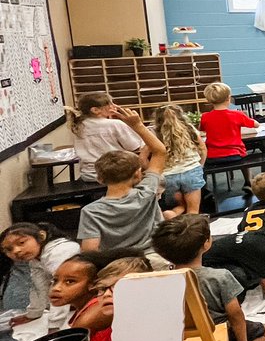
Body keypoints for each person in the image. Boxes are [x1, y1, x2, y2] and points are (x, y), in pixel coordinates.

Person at [152, 214, 265, 341]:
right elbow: (235, 314)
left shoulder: (159, 280)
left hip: (183, 338)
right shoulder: (219, 277)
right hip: (219, 333)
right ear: (206, 244)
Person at [78, 107, 169, 262]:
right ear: (138, 174)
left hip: (118, 266)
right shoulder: (147, 192)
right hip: (155, 259)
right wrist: (138, 125)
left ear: (100, 179)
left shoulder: (91, 211)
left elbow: (89, 252)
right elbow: (160, 152)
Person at [0, 222, 80, 328]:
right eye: (9, 250)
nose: (16, 251)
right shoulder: (35, 260)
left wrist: (54, 326)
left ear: (41, 236)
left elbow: (61, 288)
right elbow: (39, 287)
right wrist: (33, 314)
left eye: (21, 242)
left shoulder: (60, 251)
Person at [68, 91, 146, 182]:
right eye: (109, 103)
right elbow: (134, 146)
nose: (114, 106)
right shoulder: (114, 124)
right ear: (95, 110)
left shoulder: (78, 125)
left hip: (88, 174)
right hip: (114, 174)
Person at [199, 82, 259, 192]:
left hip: (212, 157)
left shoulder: (205, 117)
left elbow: (201, 129)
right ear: (229, 98)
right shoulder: (237, 115)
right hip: (235, 154)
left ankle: (204, 189)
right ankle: (248, 181)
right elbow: (255, 125)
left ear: (209, 100)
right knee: (244, 155)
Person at [155, 104, 207, 215]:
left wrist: (155, 171)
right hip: (191, 171)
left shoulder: (155, 133)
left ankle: (172, 215)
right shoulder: (189, 129)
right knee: (193, 210)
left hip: (168, 175)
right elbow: (202, 148)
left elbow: (142, 158)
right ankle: (191, 230)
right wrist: (200, 165)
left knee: (180, 206)